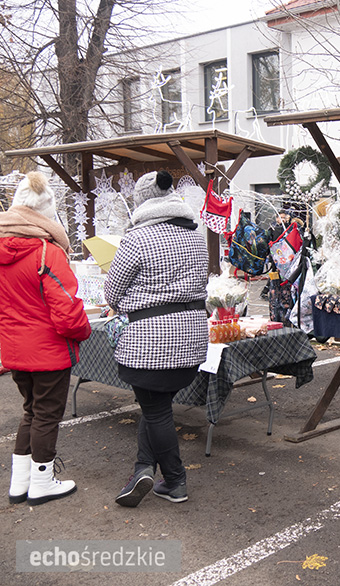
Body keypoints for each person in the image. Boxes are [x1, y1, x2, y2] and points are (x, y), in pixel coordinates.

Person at [105, 170, 208, 507]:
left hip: (149, 345)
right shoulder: (196, 235)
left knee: (156, 411)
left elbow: (112, 292)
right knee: (156, 407)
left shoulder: (137, 238)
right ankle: (143, 469)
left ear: (142, 201)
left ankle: (176, 481)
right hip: (192, 339)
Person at [0, 172, 92, 506]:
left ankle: (19, 482)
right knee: (46, 415)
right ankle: (42, 481)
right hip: (49, 351)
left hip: (14, 348)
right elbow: (68, 313)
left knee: (31, 411)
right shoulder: (47, 252)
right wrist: (84, 331)